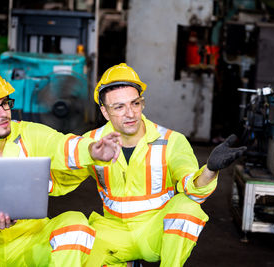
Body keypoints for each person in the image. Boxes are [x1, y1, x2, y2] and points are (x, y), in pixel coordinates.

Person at [0, 65, 122, 266]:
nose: (3, 113)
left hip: (31, 241)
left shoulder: (25, 134)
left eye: (5, 103)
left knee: (75, 225)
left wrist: (92, 151)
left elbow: (60, 145)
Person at [82, 63, 247, 266]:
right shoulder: (90, 144)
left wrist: (210, 170)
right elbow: (62, 174)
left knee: (187, 207)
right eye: (119, 107)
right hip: (113, 232)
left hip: (155, 231)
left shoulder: (171, 141)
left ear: (142, 103)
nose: (130, 113)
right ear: (105, 112)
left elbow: (193, 189)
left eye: (135, 103)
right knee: (73, 243)